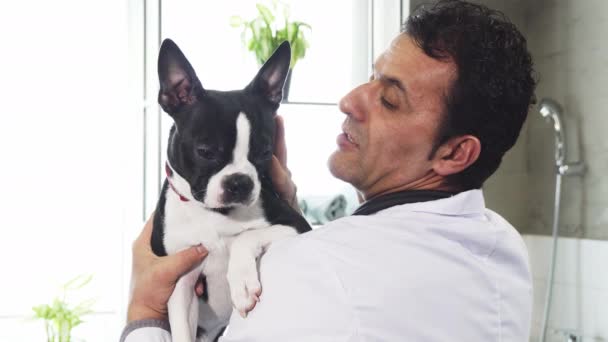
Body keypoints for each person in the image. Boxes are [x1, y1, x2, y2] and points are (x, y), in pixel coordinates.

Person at [121, 0, 536, 340]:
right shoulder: (504, 246)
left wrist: (144, 312)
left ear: (455, 153)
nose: (350, 100)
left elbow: (335, 282)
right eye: (372, 78)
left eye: (389, 99)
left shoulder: (308, 274)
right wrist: (284, 211)